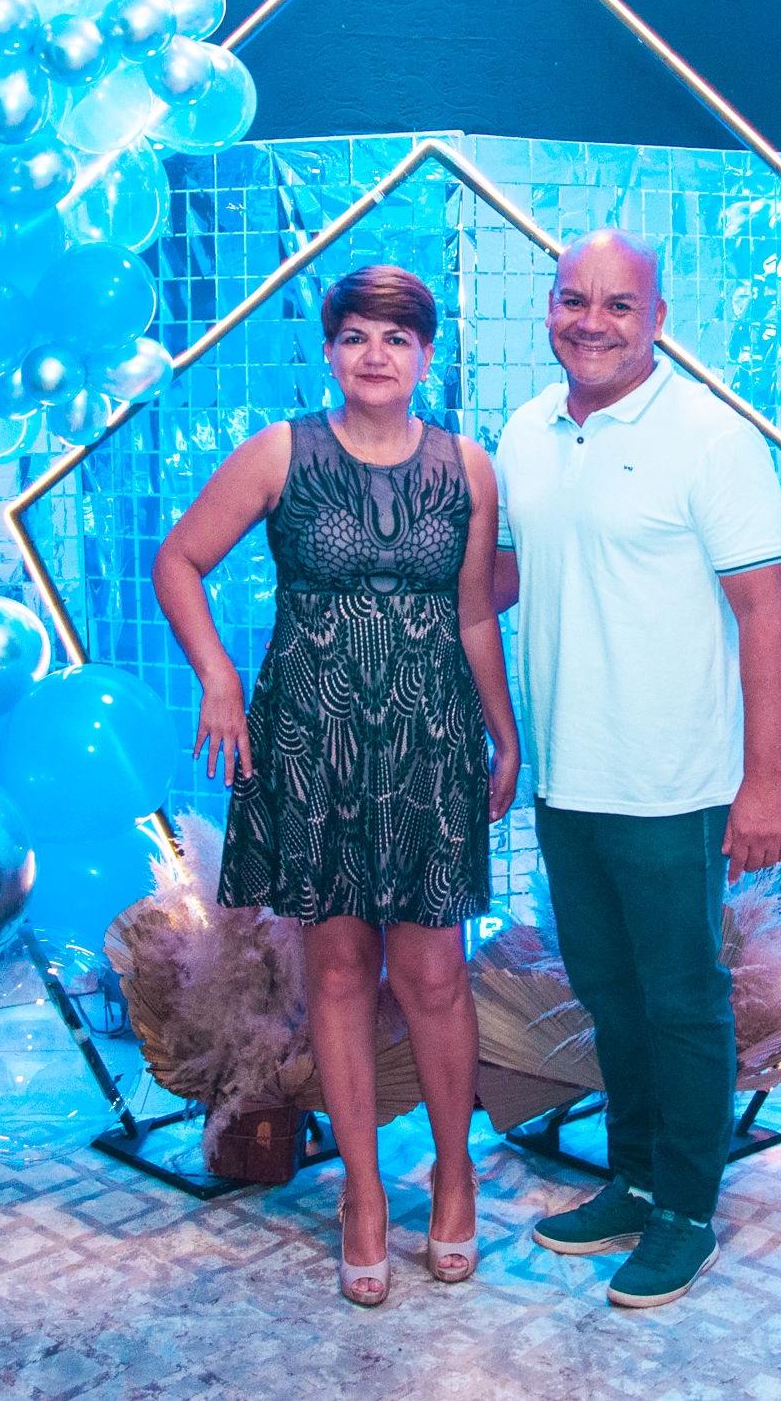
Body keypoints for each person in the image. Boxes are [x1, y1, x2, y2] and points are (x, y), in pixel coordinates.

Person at [154, 264, 522, 1309]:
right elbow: (178, 561)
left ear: (425, 356)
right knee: (341, 967)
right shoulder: (282, 451)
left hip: (427, 742)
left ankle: (454, 1175)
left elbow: (473, 615)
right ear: (329, 349)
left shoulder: (468, 467)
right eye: (356, 335)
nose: (375, 354)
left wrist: (504, 737)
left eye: (397, 338)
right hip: (311, 741)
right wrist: (218, 678)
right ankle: (363, 1193)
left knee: (435, 972)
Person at [492, 227, 781, 1309]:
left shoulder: (712, 440)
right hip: (566, 773)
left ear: (658, 319)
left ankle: (686, 1213)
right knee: (608, 991)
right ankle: (629, 1180)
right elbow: (506, 578)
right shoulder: (524, 430)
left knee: (680, 1001)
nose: (592, 322)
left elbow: (765, 617)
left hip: (673, 780)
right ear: (549, 309)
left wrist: (765, 782)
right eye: (573, 299)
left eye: (619, 304)